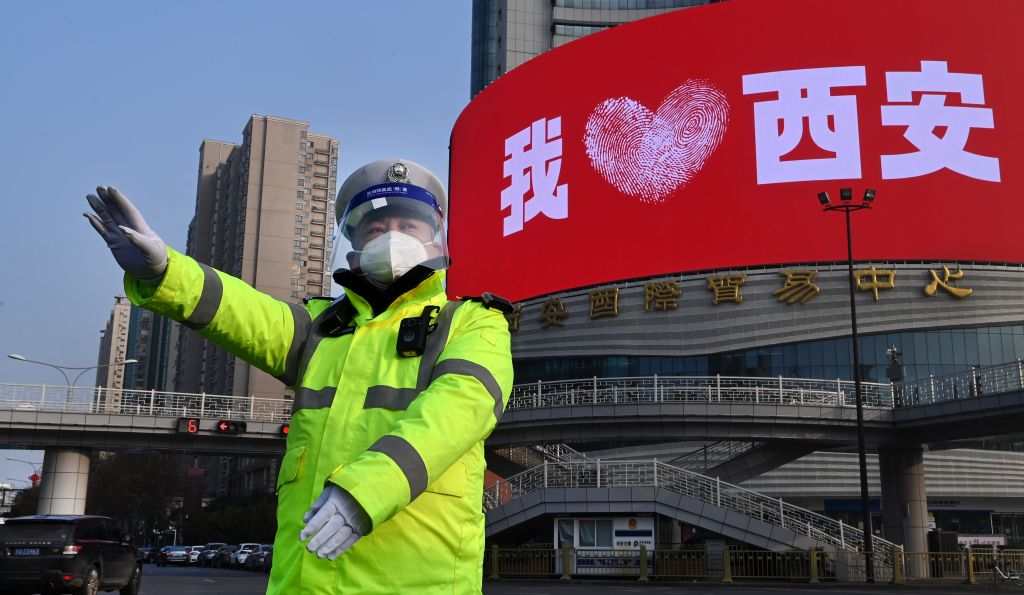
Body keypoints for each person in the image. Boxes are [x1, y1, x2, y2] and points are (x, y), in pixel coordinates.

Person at [84, 159, 514, 594]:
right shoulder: (320, 327)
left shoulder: (472, 321)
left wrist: (364, 493)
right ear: (354, 243)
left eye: (409, 226)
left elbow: (460, 409)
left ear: (433, 238)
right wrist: (165, 272)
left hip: (418, 583)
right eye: (375, 228)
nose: (392, 237)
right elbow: (242, 312)